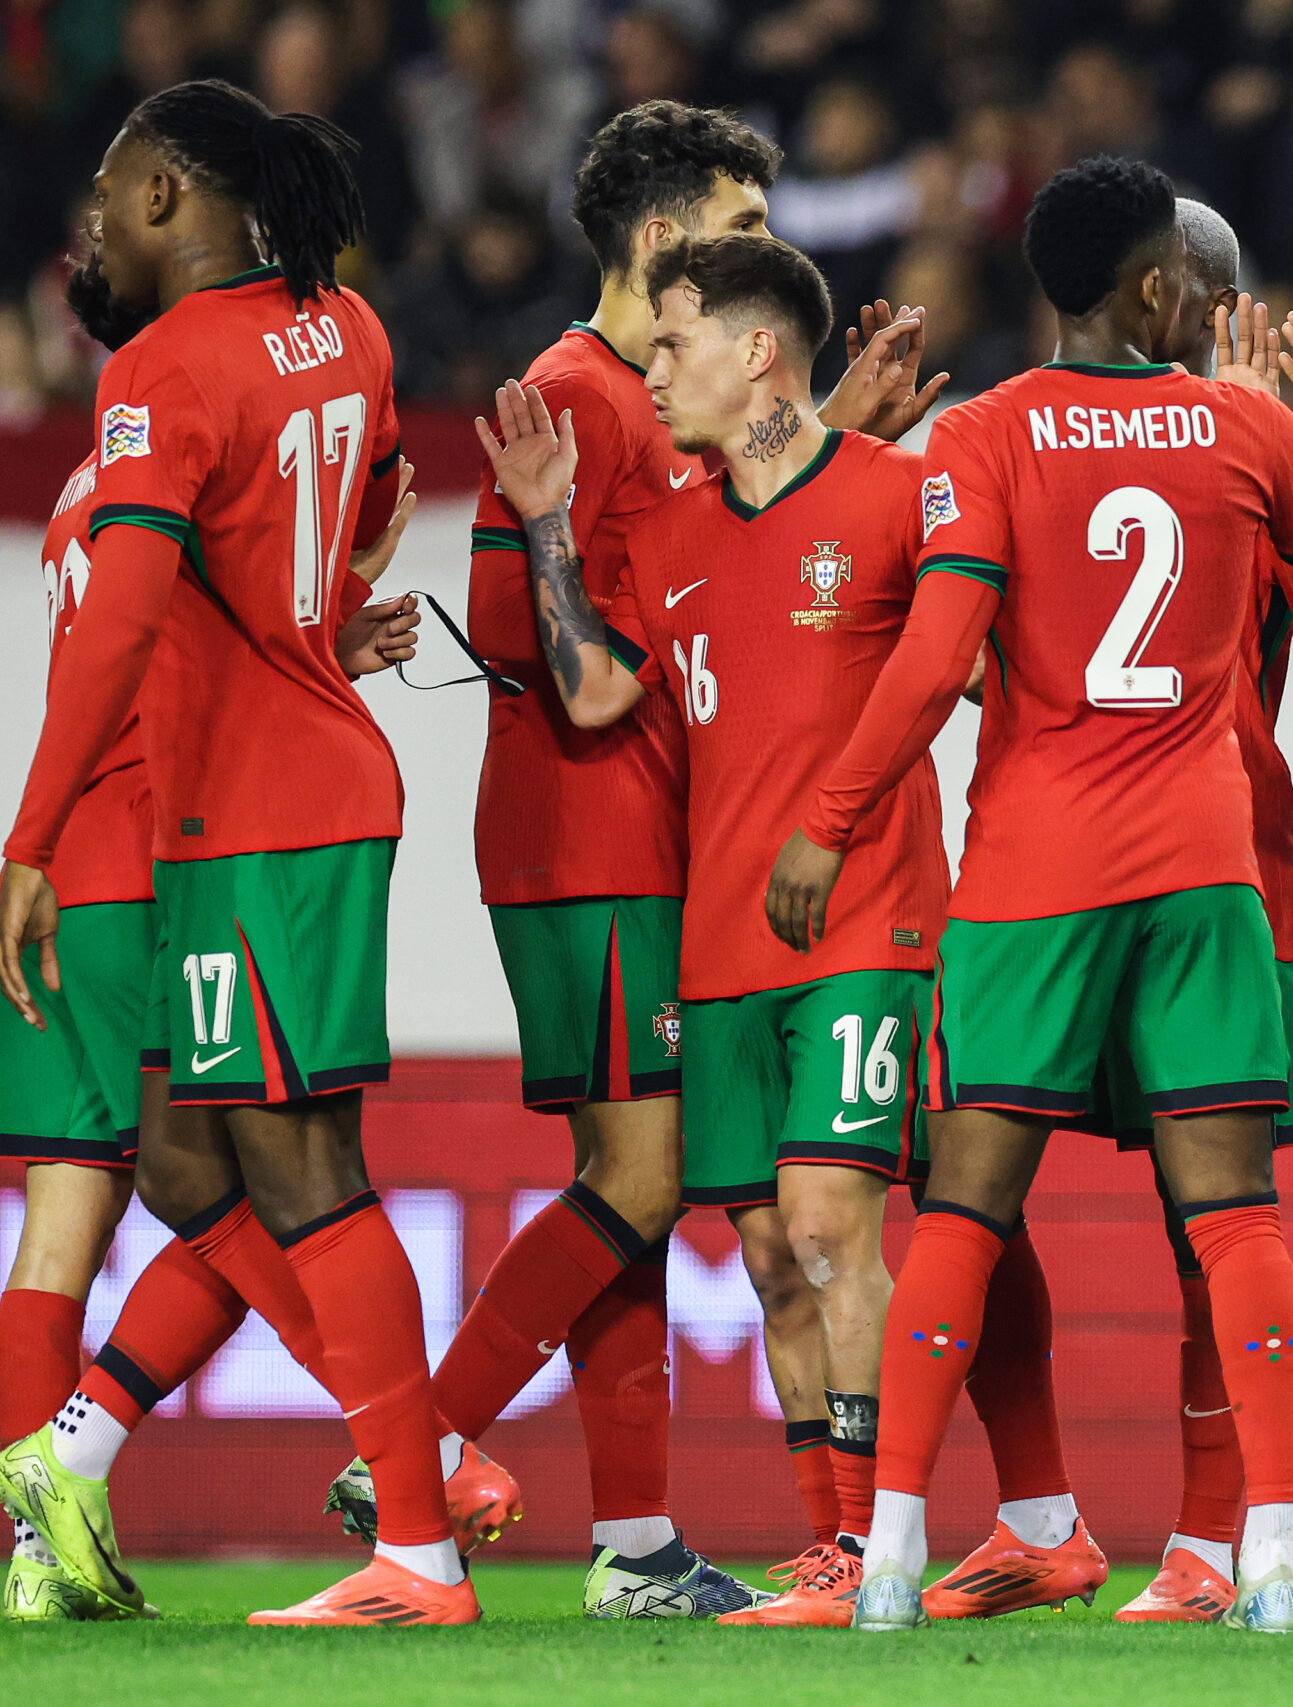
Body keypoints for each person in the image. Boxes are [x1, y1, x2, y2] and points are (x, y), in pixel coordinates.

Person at [762, 153, 1293, 1634]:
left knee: (965, 1201)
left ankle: (891, 1546)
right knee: (1234, 1215)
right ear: (1158, 291)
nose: (1212, 303)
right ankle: (1271, 1552)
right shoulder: (1235, 429)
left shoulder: (985, 435)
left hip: (1036, 871)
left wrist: (831, 817)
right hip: (1213, 865)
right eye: (1196, 284)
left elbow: (938, 651)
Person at [400, 99, 946, 1621]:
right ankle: (420, 1450)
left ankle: (640, 1545)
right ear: (665, 244)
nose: (769, 254)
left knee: (682, 1210)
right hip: (616, 846)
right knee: (653, 1185)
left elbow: (775, 534)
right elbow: (540, 650)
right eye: (747, 228)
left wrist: (851, 442)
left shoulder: (664, 406)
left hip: (679, 858)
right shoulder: (582, 396)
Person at [0, 78, 470, 1626]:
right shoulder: (348, 326)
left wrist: (32, 834)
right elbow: (372, 488)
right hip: (287, 790)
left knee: (305, 1165)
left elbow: (120, 616)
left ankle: (421, 1540)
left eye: (120, 186)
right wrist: (314, 625)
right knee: (197, 1158)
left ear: (169, 200)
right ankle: (79, 1453)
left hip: (258, 811)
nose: (105, 219)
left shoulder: (165, 362)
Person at [997, 197, 1293, 1626]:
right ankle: (1039, 1515)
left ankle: (1209, 1544)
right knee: (970, 1177)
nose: (1221, 323)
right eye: (1212, 300)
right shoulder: (1090, 433)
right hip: (1115, 861)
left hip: (1221, 864)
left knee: (1197, 1219)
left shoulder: (1249, 444)